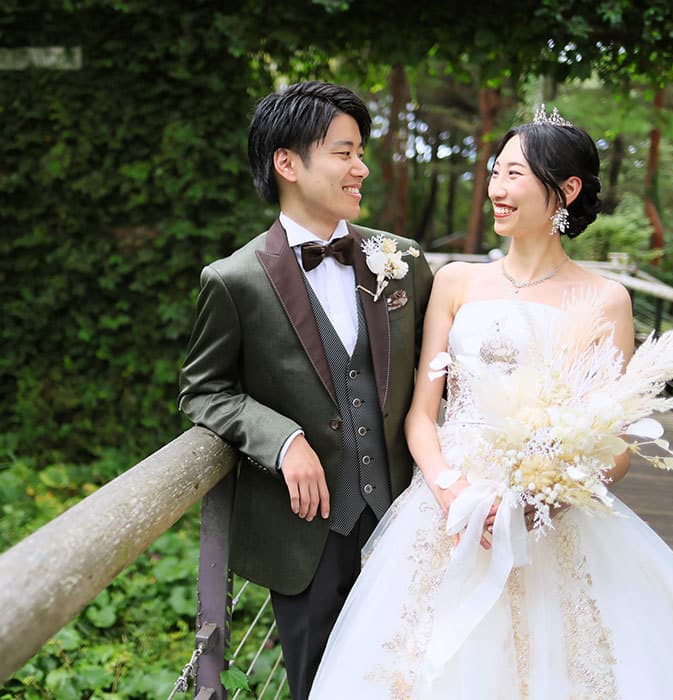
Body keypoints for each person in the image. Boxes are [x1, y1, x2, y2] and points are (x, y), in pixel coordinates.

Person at [310, 109, 673, 697]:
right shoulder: (456, 282)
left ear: (567, 189)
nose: (496, 190)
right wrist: (451, 491)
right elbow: (422, 416)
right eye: (494, 173)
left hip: (548, 515)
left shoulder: (606, 299)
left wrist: (545, 494)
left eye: (514, 175)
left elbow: (616, 449)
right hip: (446, 508)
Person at [177, 81, 433, 698]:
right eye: (344, 153)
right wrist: (282, 439)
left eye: (361, 152)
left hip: (406, 521)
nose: (361, 167)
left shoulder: (401, 261)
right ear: (287, 163)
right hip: (306, 538)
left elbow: (443, 372)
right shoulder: (235, 279)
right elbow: (203, 390)